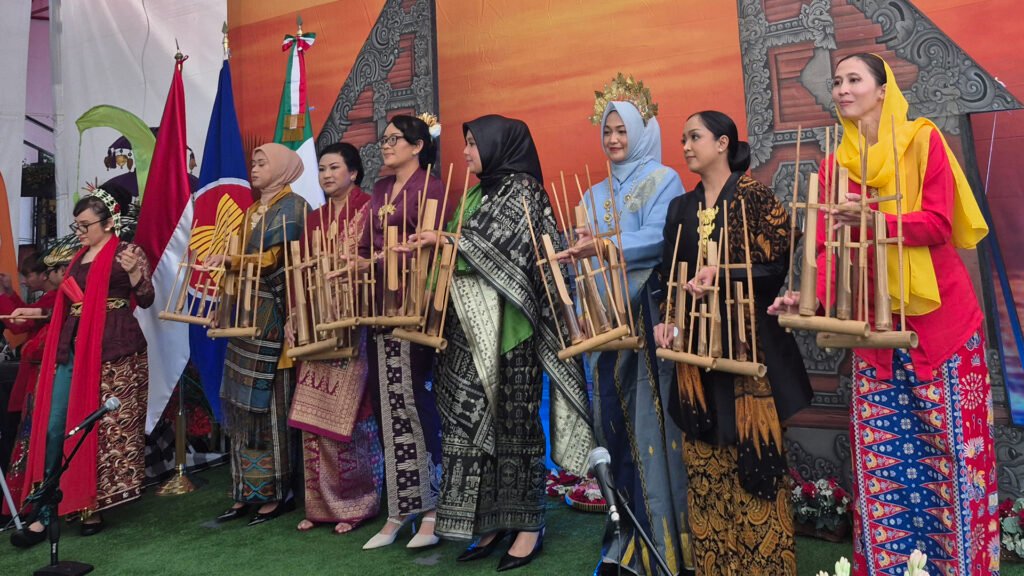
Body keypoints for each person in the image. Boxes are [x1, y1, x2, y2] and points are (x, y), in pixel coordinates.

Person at [769, 53, 996, 575]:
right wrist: (804, 297)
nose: (843, 89)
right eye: (838, 81)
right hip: (872, 333)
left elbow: (938, 223)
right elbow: (828, 252)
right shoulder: (834, 166)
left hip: (940, 327)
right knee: (885, 466)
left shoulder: (921, 141)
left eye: (854, 79)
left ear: (881, 88)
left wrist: (876, 216)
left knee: (953, 461)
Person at [402, 114, 594, 571]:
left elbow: (507, 250)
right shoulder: (473, 193)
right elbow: (455, 252)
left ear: (497, 144)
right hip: (464, 335)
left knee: (515, 427)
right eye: (465, 143)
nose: (466, 152)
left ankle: (529, 524)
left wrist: (448, 241)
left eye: (472, 144)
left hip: (511, 336)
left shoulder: (524, 191)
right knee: (471, 431)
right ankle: (487, 521)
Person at [654, 110, 812, 574]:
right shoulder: (680, 208)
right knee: (704, 464)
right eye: (682, 138)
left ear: (723, 143)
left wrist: (722, 274)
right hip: (696, 352)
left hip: (746, 348)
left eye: (695, 137)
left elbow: (777, 264)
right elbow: (668, 276)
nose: (685, 146)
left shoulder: (753, 195)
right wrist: (667, 321)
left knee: (754, 466)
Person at [560, 85, 691, 575]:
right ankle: (624, 540)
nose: (614, 139)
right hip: (603, 324)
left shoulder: (664, 180)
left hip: (643, 316)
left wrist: (605, 245)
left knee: (649, 430)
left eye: (622, 131)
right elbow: (583, 262)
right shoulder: (592, 194)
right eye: (607, 131)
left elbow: (661, 240)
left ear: (640, 133)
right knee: (612, 429)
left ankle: (662, 544)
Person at [10, 187, 154, 547]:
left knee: (94, 431)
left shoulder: (127, 252)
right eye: (76, 226)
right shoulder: (76, 260)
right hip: (72, 349)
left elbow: (147, 299)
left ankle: (89, 506)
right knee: (55, 425)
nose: (80, 232)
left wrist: (137, 276)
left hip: (113, 349)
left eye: (85, 225)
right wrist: (36, 312)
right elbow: (67, 305)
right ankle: (45, 509)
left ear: (107, 223)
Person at [207, 143, 309, 526]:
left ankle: (277, 492)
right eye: (252, 161)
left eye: (262, 162)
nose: (254, 167)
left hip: (273, 320)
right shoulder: (250, 211)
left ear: (282, 168)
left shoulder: (293, 208)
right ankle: (243, 492)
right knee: (241, 407)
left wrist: (233, 261)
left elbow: (275, 261)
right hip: (244, 318)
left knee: (270, 409)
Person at [358, 114, 444, 550]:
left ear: (417, 146)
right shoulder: (378, 189)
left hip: (415, 308)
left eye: (394, 139)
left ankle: (431, 509)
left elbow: (440, 243)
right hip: (379, 306)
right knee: (385, 405)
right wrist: (359, 261)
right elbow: (363, 245)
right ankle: (398, 510)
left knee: (413, 398)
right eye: (384, 139)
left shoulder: (433, 188)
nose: (386, 145)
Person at [288, 142, 383, 534]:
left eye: (334, 168)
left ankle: (358, 503)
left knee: (354, 419)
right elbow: (300, 273)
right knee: (314, 417)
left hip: (356, 325)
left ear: (354, 172)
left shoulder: (371, 208)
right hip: (316, 324)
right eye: (322, 169)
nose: (327, 175)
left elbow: (381, 262)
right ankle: (321, 505)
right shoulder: (314, 219)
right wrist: (296, 314)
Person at [1, 254, 64, 518]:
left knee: (29, 437)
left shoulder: (55, 299)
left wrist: (6, 295)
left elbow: (23, 323)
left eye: (28, 275)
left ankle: (25, 501)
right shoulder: (49, 300)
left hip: (40, 380)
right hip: (35, 378)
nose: (27, 281)